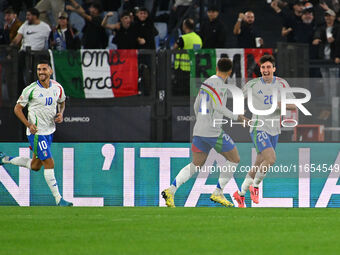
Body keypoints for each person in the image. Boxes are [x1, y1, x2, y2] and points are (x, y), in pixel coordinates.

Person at [162, 58, 248, 208]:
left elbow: (196, 105)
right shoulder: (220, 85)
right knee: (234, 158)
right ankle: (218, 192)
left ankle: (171, 190)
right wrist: (237, 117)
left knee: (196, 164)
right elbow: (219, 107)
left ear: (216, 68)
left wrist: (202, 119)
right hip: (212, 131)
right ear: (230, 72)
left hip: (199, 129)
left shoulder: (207, 82)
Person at [0, 60, 73, 206]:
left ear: (50, 71)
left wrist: (61, 113)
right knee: (49, 162)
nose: (41, 72)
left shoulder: (58, 88)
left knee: (35, 166)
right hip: (36, 134)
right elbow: (17, 109)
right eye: (39, 70)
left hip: (50, 131)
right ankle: (58, 199)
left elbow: (62, 102)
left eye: (44, 69)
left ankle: (5, 159)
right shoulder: (31, 89)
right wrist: (29, 124)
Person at [233, 55, 296, 208]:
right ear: (260, 70)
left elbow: (294, 105)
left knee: (258, 164)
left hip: (274, 129)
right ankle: (255, 187)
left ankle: (240, 195)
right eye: (263, 68)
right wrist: (241, 117)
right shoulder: (253, 84)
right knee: (271, 159)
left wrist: (281, 104)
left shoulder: (282, 83)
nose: (266, 70)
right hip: (258, 126)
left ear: (274, 69)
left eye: (269, 67)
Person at [173, 18, 202, 95]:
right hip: (194, 66)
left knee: (181, 90)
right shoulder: (198, 38)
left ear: (184, 26)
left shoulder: (183, 38)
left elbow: (174, 48)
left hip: (182, 67)